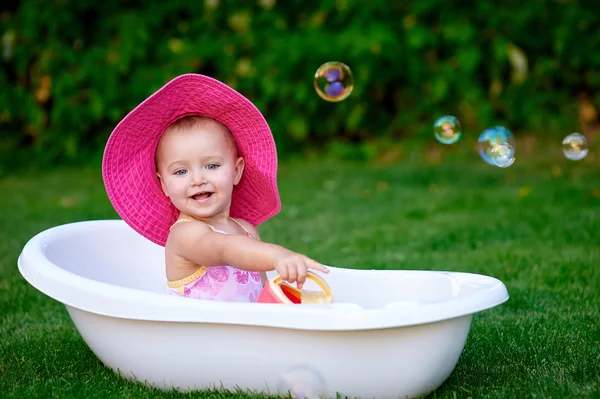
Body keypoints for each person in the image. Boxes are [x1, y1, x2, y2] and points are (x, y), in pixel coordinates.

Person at [102, 74, 328, 303]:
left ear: (236, 171)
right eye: (181, 172)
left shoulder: (247, 231)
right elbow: (224, 249)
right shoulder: (185, 234)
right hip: (203, 336)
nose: (198, 179)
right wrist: (278, 255)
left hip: (239, 334)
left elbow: (259, 294)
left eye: (212, 165)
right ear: (164, 185)